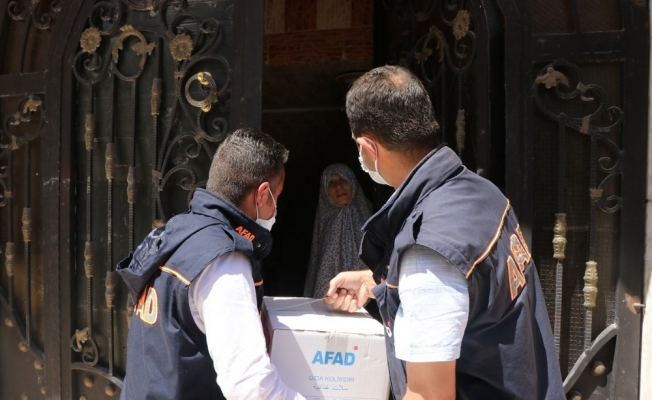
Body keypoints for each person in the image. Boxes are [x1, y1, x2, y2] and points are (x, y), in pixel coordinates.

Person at [324, 66, 564, 400]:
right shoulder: (482, 193)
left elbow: (428, 394)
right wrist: (377, 283)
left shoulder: (428, 250)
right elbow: (473, 290)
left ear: (369, 146)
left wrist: (411, 275)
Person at [117, 128, 305, 400]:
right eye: (278, 196)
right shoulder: (224, 261)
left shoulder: (178, 232)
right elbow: (249, 386)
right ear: (263, 194)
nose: (276, 210)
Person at [303, 163, 371, 298]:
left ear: (352, 182)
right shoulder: (325, 222)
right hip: (331, 297)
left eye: (343, 180)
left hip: (366, 294)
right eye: (331, 183)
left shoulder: (370, 217)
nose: (338, 187)